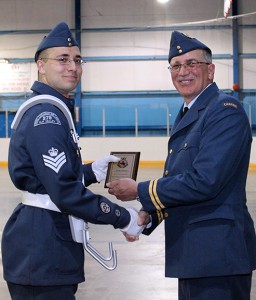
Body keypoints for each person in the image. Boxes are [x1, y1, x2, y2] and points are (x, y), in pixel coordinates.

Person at [107, 31, 256, 300]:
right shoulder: (191, 113)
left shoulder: (225, 110)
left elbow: (205, 182)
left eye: (192, 64)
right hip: (194, 253)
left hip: (218, 256)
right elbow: (180, 180)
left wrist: (140, 190)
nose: (183, 71)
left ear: (210, 71)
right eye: (176, 65)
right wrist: (148, 214)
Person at [1, 22, 143, 300]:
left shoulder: (54, 109)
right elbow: (64, 191)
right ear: (41, 65)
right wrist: (123, 218)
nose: (73, 67)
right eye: (62, 59)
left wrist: (90, 171)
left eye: (77, 60)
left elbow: (50, 176)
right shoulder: (47, 116)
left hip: (45, 242)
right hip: (42, 247)